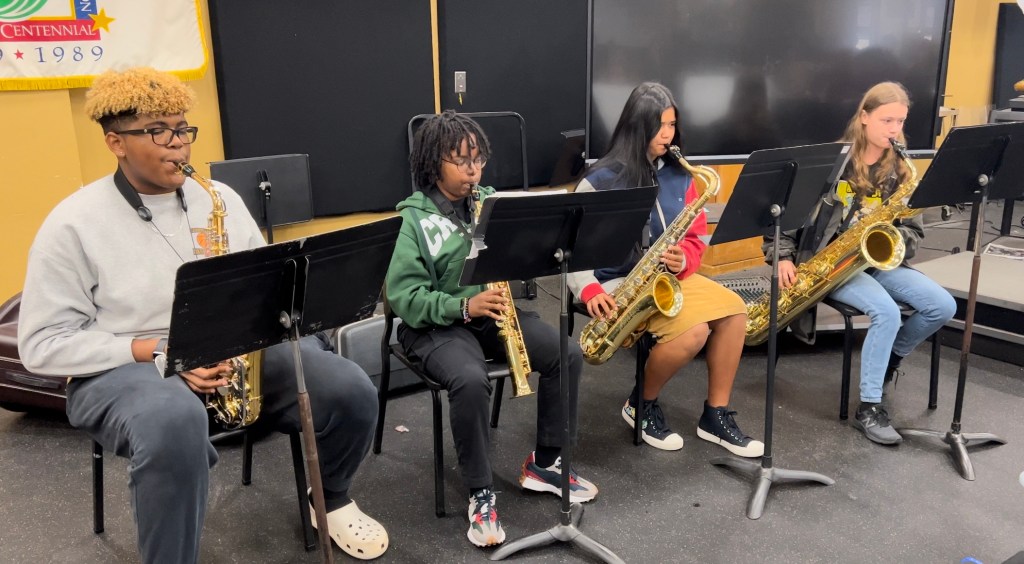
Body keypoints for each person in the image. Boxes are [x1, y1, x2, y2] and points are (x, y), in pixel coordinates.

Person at [17, 67, 388, 563]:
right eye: (158, 131)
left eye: (182, 129)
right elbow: (41, 344)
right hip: (122, 365)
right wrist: (159, 351)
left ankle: (332, 498)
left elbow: (265, 284)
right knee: (172, 424)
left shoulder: (220, 200)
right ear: (115, 142)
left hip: (228, 350)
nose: (178, 144)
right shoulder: (72, 223)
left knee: (349, 387)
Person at [385, 110, 598, 548]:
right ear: (433, 163)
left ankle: (547, 462)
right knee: (469, 379)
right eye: (462, 161)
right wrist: (463, 306)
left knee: (567, 353)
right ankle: (481, 492)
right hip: (432, 325)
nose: (473, 170)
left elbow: (521, 258)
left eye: (478, 159)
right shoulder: (411, 221)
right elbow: (405, 299)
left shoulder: (489, 203)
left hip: (489, 311)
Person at [568, 82, 764, 458]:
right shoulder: (599, 180)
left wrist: (684, 258)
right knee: (694, 332)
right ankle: (641, 404)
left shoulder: (680, 175)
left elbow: (695, 236)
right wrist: (588, 289)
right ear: (637, 126)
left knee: (735, 311)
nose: (667, 135)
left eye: (672, 125)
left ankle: (715, 415)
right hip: (614, 281)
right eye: (659, 126)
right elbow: (570, 249)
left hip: (668, 278)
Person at [764, 81, 956, 445]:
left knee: (942, 306)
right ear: (864, 117)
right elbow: (788, 213)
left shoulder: (902, 170)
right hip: (834, 265)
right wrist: (783, 256)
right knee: (887, 312)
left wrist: (891, 242)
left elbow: (914, 231)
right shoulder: (833, 163)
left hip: (877, 261)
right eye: (887, 120)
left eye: (900, 121)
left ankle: (890, 360)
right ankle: (869, 407)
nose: (894, 129)